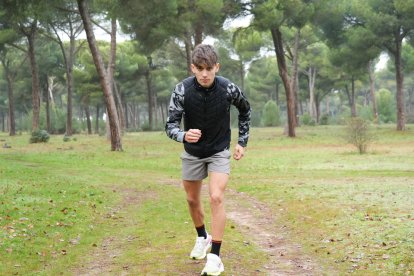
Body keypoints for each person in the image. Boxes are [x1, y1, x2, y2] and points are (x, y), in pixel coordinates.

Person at [165, 44, 251, 275]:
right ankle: (203, 236)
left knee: (216, 196)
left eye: (209, 68)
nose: (204, 74)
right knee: (192, 201)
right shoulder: (181, 89)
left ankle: (215, 257)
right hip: (192, 152)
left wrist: (242, 142)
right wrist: (183, 135)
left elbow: (245, 110)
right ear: (193, 68)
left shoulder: (228, 88)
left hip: (218, 150)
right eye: (200, 68)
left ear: (217, 67)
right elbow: (170, 125)